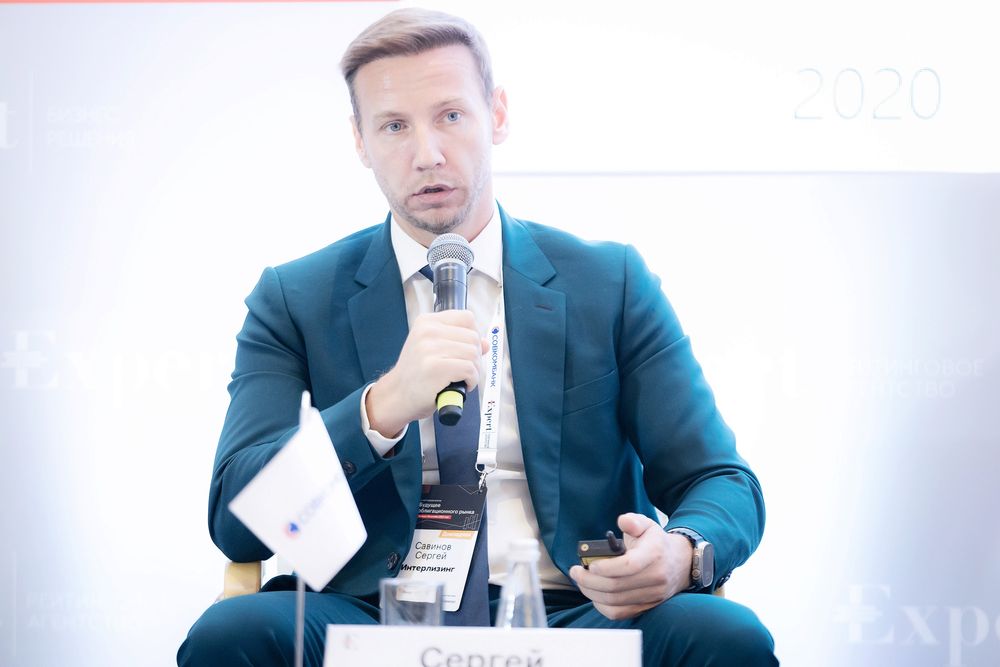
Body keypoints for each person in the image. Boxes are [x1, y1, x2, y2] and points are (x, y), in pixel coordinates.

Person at [178, 8, 777, 666]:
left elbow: (721, 479)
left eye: (451, 116)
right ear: (360, 141)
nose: (427, 153)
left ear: (497, 114)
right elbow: (237, 519)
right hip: (371, 610)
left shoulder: (609, 282)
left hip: (574, 609)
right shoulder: (295, 298)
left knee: (726, 636)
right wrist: (379, 409)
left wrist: (682, 553)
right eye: (394, 126)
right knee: (231, 634)